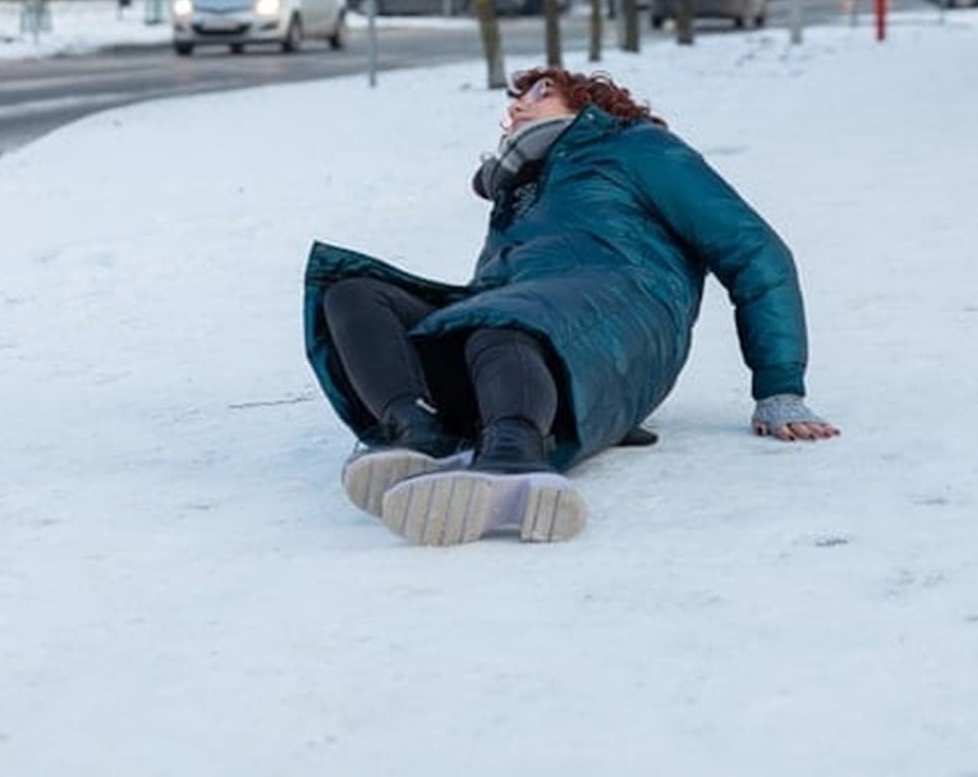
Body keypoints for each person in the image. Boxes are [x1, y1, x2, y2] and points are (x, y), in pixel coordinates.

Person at [302, 67, 839, 547]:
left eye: (539, 91)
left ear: (592, 103)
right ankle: (419, 432)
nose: (515, 106)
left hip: (625, 321)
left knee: (502, 320)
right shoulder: (520, 191)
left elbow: (753, 250)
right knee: (351, 291)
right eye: (511, 101)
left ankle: (513, 457)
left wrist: (779, 388)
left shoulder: (636, 147)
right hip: (529, 334)